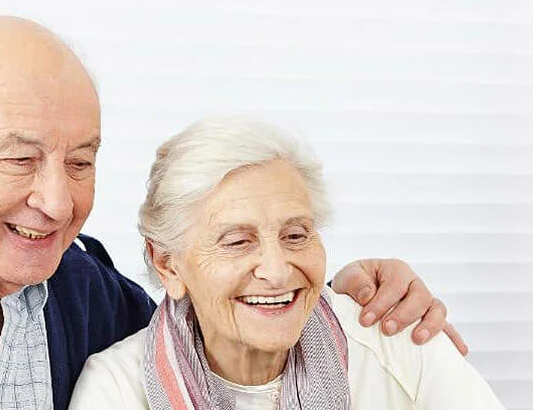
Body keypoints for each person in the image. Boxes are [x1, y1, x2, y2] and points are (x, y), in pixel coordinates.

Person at [0, 17, 463, 410]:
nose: (58, 203)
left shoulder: (93, 302)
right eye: (20, 158)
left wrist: (355, 292)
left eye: (81, 160)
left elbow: (219, 313)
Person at [68, 117, 504, 410]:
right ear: (168, 266)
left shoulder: (396, 339)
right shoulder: (117, 389)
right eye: (237, 241)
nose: (276, 271)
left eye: (296, 235)